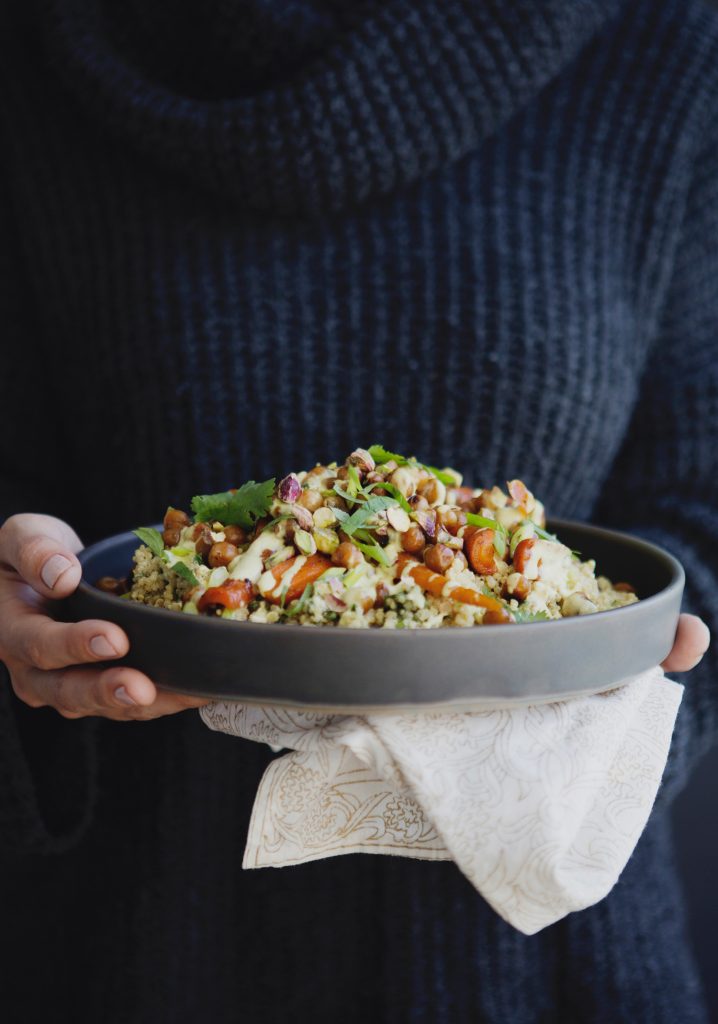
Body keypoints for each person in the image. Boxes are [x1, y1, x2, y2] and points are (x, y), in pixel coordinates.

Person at [1, 0, 716, 1021]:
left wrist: (616, 720)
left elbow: (699, 495)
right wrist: (22, 612)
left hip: (552, 959)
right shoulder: (33, 55)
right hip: (129, 940)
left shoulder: (665, 44)